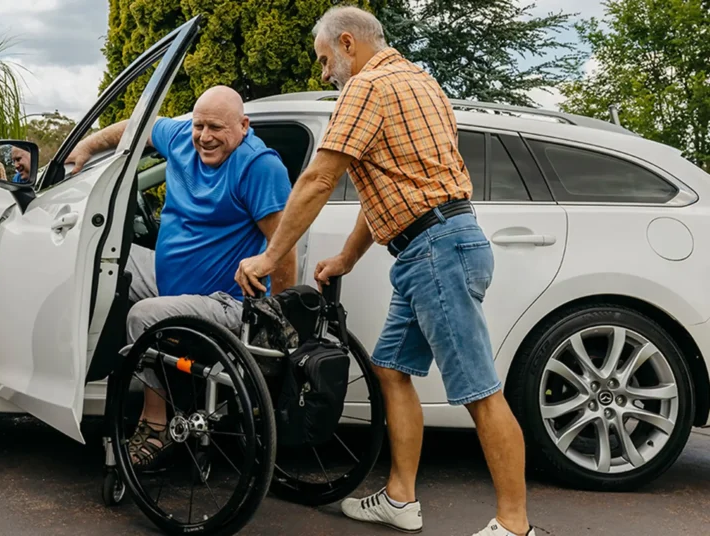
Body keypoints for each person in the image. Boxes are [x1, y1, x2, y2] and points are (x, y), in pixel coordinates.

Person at [234, 6, 535, 536]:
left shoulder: (367, 87)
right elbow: (397, 186)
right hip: (432, 246)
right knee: (391, 369)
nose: (325, 74)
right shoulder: (422, 82)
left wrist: (269, 255)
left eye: (325, 60)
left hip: (436, 252)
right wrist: (348, 258)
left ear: (348, 43)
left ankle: (514, 525)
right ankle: (400, 498)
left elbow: (320, 177)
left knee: (480, 391)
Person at [65, 85, 297, 468]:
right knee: (98, 259)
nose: (205, 137)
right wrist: (88, 147)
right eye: (199, 125)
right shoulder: (180, 138)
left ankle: (156, 424)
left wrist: (280, 317)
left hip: (225, 301)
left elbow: (284, 247)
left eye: (217, 128)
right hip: (169, 279)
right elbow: (137, 126)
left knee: (143, 315)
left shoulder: (259, 166)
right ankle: (75, 374)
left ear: (243, 126)